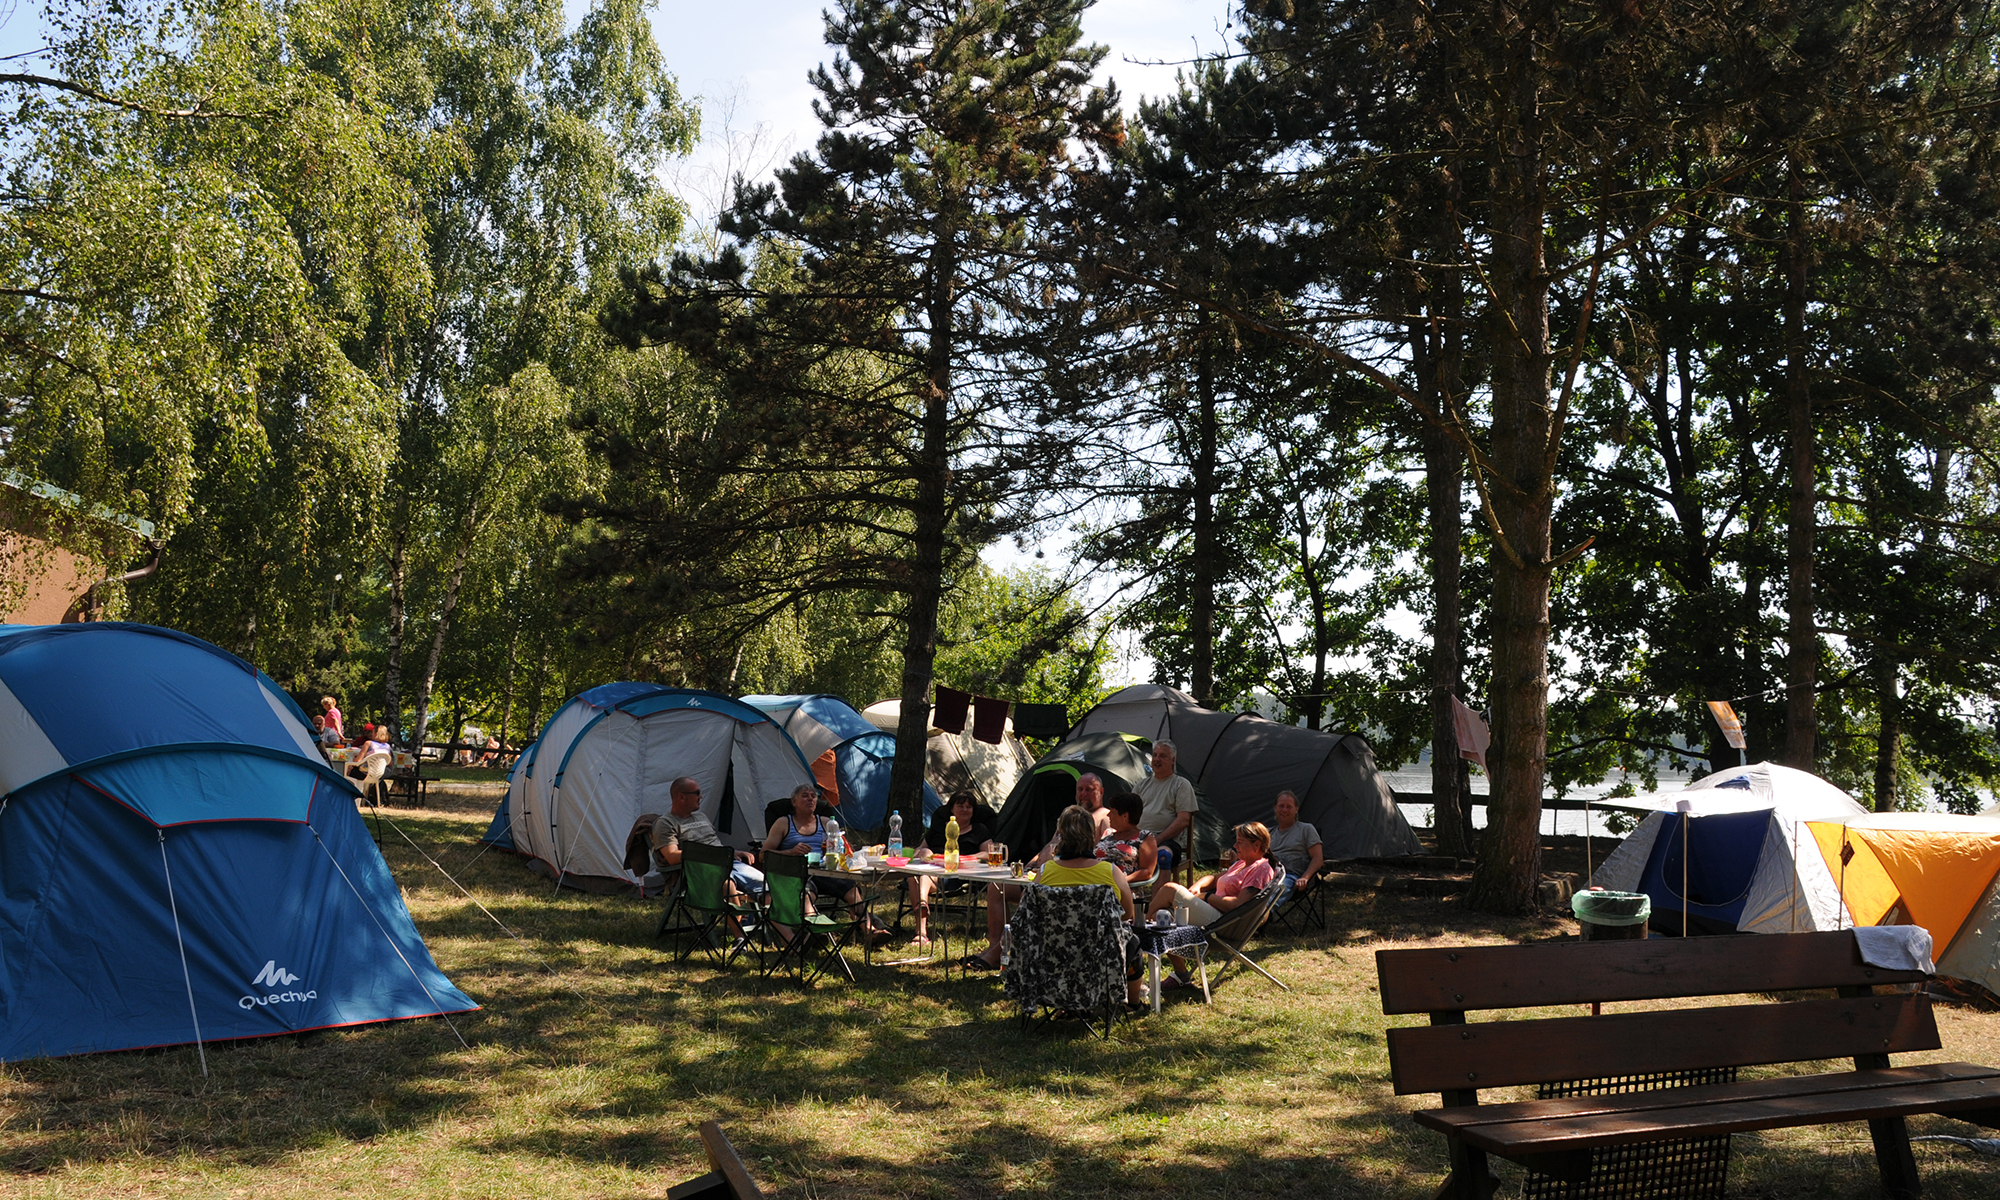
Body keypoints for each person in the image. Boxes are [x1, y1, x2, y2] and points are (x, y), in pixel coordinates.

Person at [964, 806, 1142, 1005]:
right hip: (1098, 957)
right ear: (1093, 837)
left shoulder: (1046, 872)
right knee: (1132, 941)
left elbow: (1028, 911)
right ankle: (1133, 1003)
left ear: (1061, 837)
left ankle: (1062, 1002)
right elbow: (1127, 915)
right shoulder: (1110, 872)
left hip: (1052, 955)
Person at [763, 783, 893, 946]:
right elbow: (764, 854)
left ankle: (869, 932)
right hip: (798, 874)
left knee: (852, 890)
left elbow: (844, 849)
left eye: (813, 796)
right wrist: (791, 852)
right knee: (806, 895)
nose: (810, 799)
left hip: (825, 872)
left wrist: (836, 851)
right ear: (794, 801)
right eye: (805, 796)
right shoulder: (783, 823)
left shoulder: (826, 823)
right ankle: (814, 933)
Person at [905, 791, 995, 945]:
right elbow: (920, 849)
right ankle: (922, 915)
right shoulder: (939, 827)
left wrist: (968, 857)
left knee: (917, 877)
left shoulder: (979, 829)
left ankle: (921, 931)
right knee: (915, 875)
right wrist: (924, 854)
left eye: (969, 807)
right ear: (951, 809)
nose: (965, 810)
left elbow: (989, 853)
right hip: (933, 869)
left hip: (956, 876)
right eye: (960, 806)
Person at [651, 776, 764, 899]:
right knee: (726, 885)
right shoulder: (665, 823)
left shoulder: (701, 817)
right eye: (697, 793)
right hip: (701, 868)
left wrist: (734, 852)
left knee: (764, 886)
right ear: (681, 797)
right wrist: (711, 854)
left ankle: (764, 909)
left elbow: (714, 844)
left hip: (728, 862)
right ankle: (736, 908)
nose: (700, 797)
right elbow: (672, 856)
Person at [1145, 822, 1275, 926]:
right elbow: (1214, 878)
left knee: (1170, 889)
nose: (1235, 846)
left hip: (1225, 921)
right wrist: (1198, 886)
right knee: (1160, 915)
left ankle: (1138, 926)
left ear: (1256, 845)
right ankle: (1143, 931)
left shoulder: (1261, 869)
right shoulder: (1243, 863)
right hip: (1214, 911)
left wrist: (1206, 896)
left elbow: (1239, 905)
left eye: (1240, 842)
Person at [1136, 739, 1198, 873]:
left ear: (1173, 760)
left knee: (1162, 856)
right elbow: (1129, 814)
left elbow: (1183, 820)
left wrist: (1156, 840)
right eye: (1155, 755)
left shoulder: (1181, 784)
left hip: (1167, 841)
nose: (1157, 759)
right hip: (1139, 837)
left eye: (1163, 756)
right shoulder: (1141, 785)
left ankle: (1163, 888)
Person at [1265, 790, 1324, 897]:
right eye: (1281, 806)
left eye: (1289, 807)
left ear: (1296, 809)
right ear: (1275, 808)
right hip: (1268, 874)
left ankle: (1264, 908)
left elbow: (1318, 858)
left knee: (1272, 895)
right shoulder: (1268, 833)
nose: (1284, 810)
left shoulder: (1306, 829)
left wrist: (1305, 877)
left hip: (1292, 876)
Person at [1095, 791, 1158, 884]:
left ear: (1125, 816)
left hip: (1122, 888)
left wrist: (1121, 881)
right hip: (1095, 882)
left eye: (1112, 812)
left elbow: (1147, 872)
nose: (1108, 815)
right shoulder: (1108, 834)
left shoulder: (1145, 838)